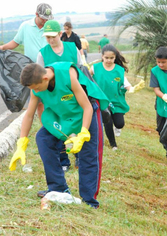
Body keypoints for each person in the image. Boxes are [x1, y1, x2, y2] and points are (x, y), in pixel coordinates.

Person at [9, 62, 110, 208]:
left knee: (88, 154)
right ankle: (58, 188)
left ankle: (89, 200)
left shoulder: (68, 75)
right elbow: (29, 115)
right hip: (62, 114)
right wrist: (21, 144)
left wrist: (82, 135)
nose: (36, 92)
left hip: (85, 112)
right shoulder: (36, 88)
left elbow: (87, 107)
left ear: (45, 79)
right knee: (43, 138)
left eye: (36, 88)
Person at [37, 20, 83, 172]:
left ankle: (78, 155)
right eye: (47, 37)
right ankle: (63, 161)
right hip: (55, 98)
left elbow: (80, 69)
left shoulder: (72, 48)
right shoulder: (43, 54)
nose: (50, 40)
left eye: (53, 36)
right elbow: (40, 77)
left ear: (60, 34)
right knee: (59, 127)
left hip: (73, 94)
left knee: (76, 124)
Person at [0, 3, 53, 116]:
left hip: (49, 69)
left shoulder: (50, 26)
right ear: (36, 14)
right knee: (38, 103)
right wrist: (3, 47)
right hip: (33, 71)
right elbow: (16, 42)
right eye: (43, 18)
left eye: (48, 18)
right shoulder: (26, 26)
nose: (46, 21)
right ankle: (45, 128)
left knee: (50, 101)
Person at [90, 44, 144, 150]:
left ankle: (117, 128)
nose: (109, 60)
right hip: (103, 101)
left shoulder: (119, 70)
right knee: (107, 122)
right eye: (106, 58)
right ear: (102, 56)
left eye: (111, 58)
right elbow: (86, 76)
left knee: (119, 124)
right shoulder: (95, 68)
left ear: (115, 57)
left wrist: (132, 88)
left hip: (116, 100)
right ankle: (113, 144)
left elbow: (125, 82)